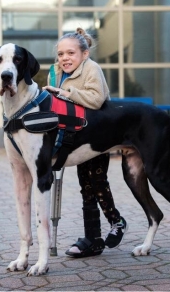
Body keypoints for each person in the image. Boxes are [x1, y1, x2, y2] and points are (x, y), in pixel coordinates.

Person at [43, 27, 128, 258]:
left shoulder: (91, 68)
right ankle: (93, 239)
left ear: (84, 54)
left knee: (97, 181)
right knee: (86, 187)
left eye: (70, 53)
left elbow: (96, 99)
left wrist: (66, 92)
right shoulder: (56, 72)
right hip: (75, 137)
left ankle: (117, 221)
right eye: (61, 54)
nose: (65, 58)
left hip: (99, 136)